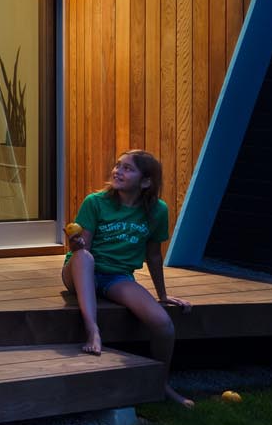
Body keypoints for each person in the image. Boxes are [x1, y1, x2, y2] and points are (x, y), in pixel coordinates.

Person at [64, 148, 194, 406]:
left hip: (117, 278)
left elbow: (154, 256)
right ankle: (93, 331)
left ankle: (161, 383)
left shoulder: (157, 211)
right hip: (80, 271)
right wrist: (75, 244)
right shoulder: (95, 202)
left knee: (163, 324)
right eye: (117, 165)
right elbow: (81, 253)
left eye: (127, 168)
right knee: (86, 258)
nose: (117, 171)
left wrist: (163, 296)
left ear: (145, 181)